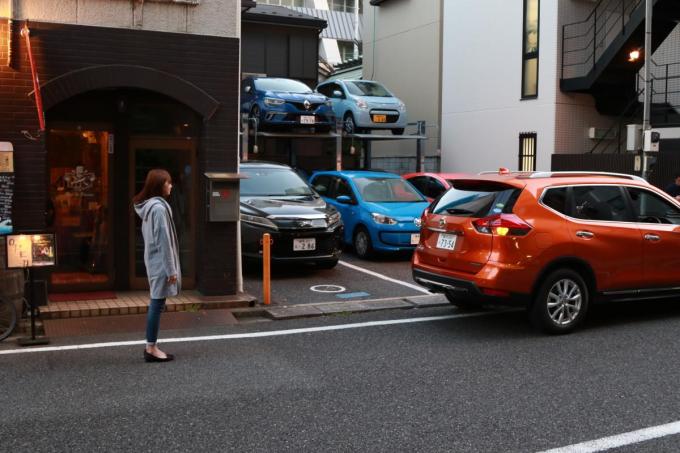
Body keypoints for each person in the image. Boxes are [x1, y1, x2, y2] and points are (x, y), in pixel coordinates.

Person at [133, 169, 181, 363]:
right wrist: (171, 270)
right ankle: (151, 348)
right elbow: (163, 241)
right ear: (160, 185)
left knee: (157, 303)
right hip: (160, 264)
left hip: (153, 261)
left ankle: (151, 346)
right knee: (156, 304)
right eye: (168, 182)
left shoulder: (149, 207)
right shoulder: (159, 209)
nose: (171, 185)